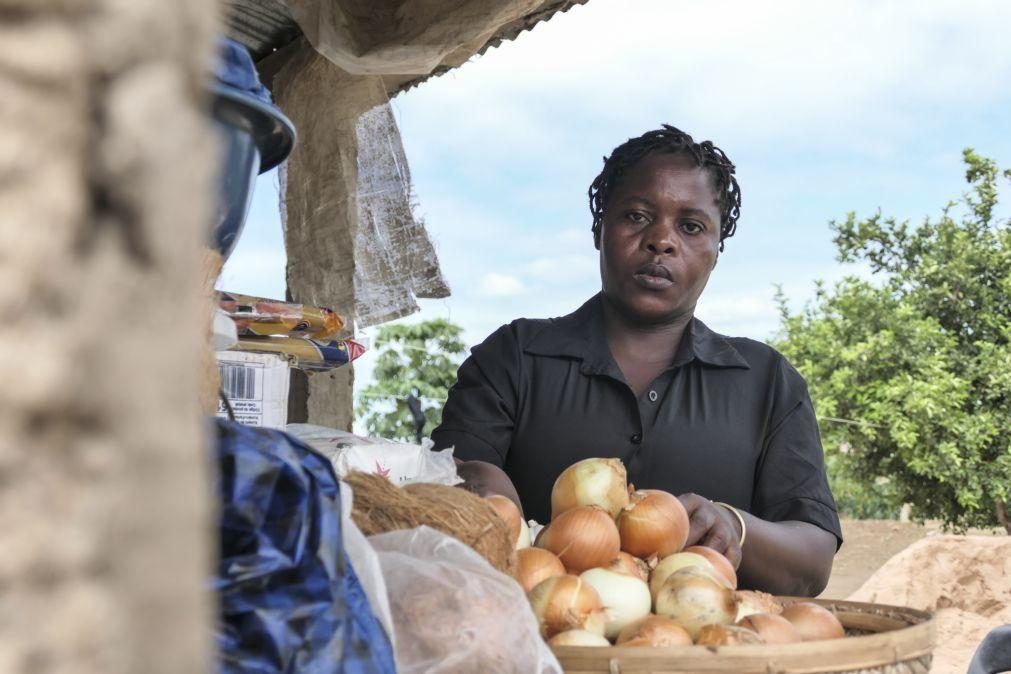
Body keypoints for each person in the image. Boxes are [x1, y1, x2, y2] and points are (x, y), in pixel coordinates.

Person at [432, 125, 841, 596]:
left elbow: (812, 565)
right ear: (598, 229)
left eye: (691, 227)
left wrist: (735, 526)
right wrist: (483, 492)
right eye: (637, 215)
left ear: (716, 249)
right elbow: (451, 477)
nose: (661, 241)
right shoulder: (514, 357)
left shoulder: (768, 383)